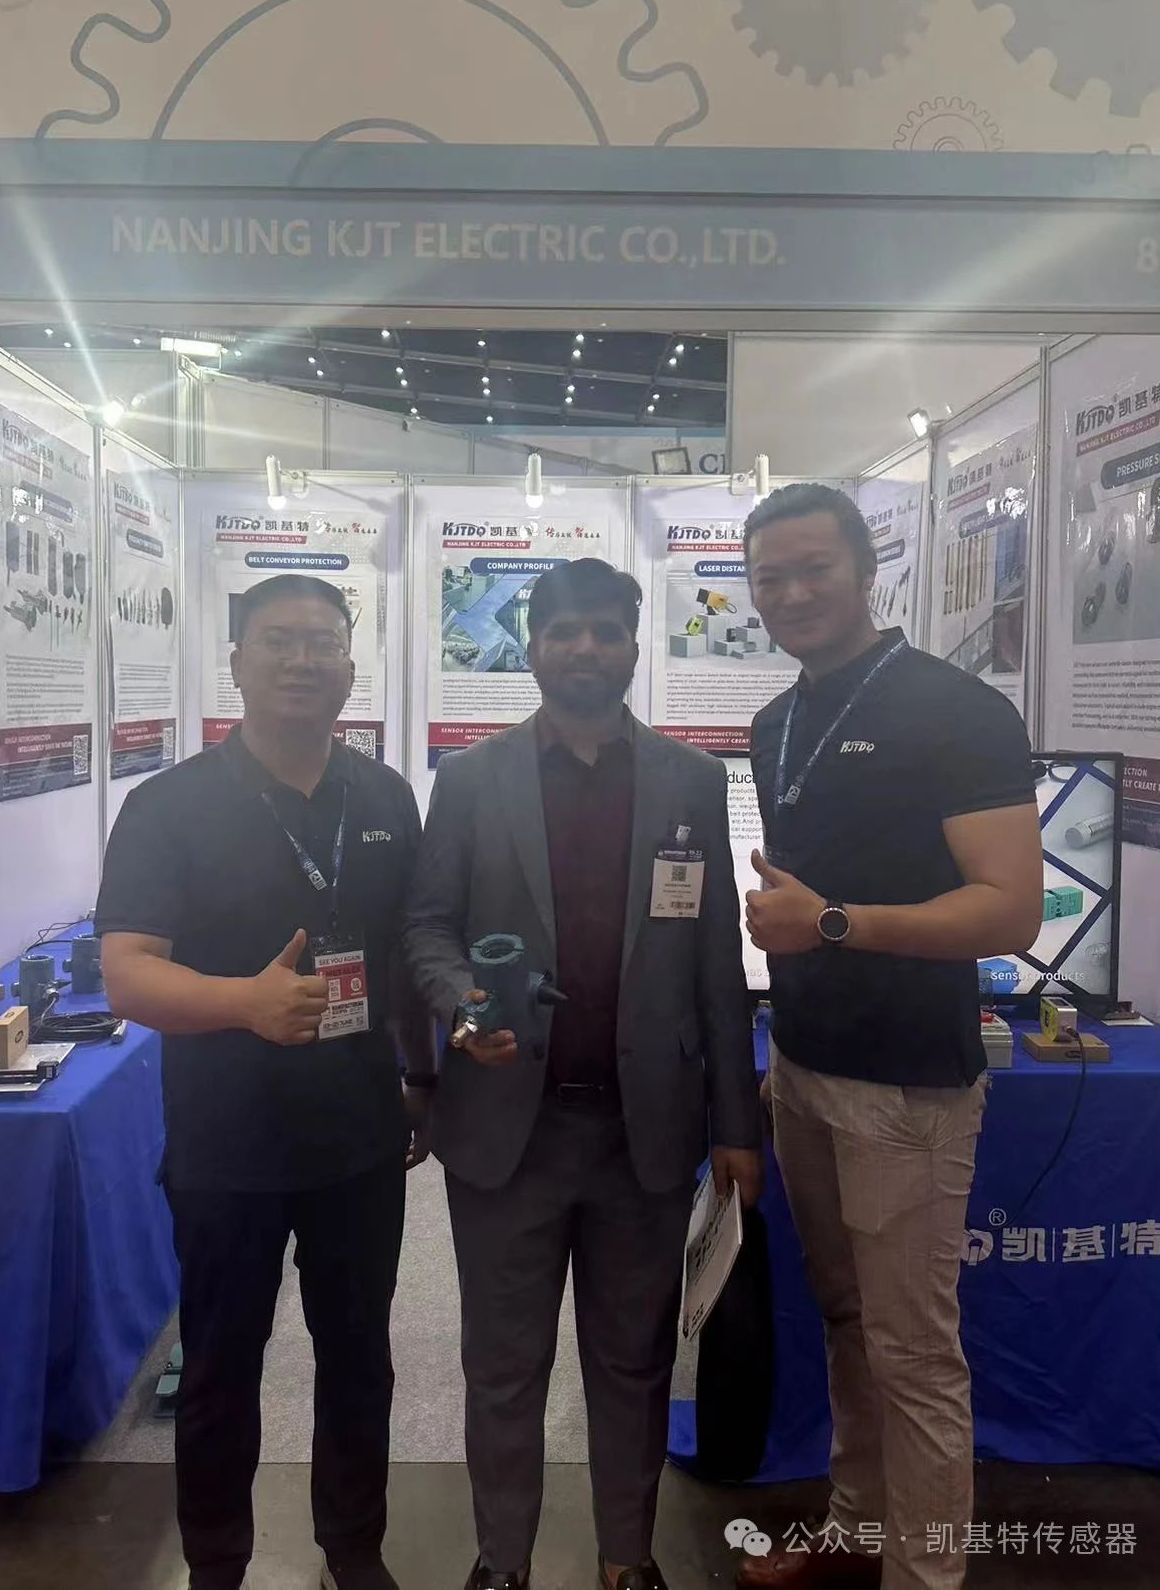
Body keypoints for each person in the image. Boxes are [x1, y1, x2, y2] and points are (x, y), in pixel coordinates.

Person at [404, 557, 763, 1590]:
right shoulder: (471, 780)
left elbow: (715, 964)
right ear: (531, 646)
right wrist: (462, 1002)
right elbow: (427, 925)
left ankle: (626, 1560)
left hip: (641, 1132)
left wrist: (736, 1123)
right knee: (502, 1364)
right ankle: (501, 1563)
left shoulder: (691, 781)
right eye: (564, 631)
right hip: (505, 1132)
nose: (585, 649)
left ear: (634, 646)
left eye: (605, 630)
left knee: (633, 1360)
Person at [97, 573, 436, 1590]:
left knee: (358, 1357)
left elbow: (405, 951)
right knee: (219, 1363)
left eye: (323, 641)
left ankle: (354, 1550)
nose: (302, 659)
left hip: (359, 1138)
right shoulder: (169, 805)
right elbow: (128, 973)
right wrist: (244, 1002)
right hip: (226, 1142)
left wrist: (423, 1073)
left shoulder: (384, 797)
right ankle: (216, 1564)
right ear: (237, 661)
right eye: (279, 640)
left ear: (349, 666)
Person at [736, 486, 1043, 1590]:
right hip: (803, 1068)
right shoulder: (776, 723)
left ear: (869, 570)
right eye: (768, 578)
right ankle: (855, 1528)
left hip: (907, 1086)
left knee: (911, 1353)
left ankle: (924, 1577)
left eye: (813, 567)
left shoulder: (956, 710)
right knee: (844, 1319)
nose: (791, 593)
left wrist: (831, 923)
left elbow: (1010, 910)